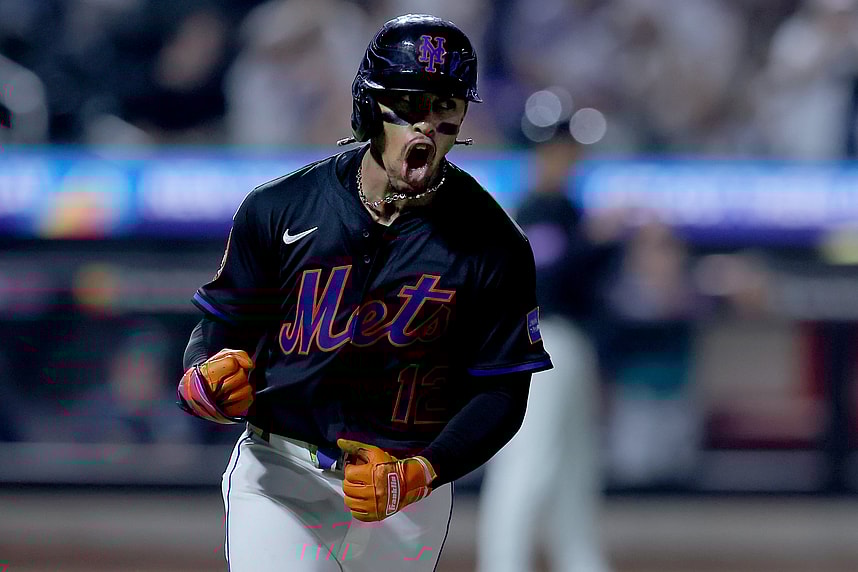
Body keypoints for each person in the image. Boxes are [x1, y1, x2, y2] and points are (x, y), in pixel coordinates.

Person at [176, 14, 552, 572]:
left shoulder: (494, 243)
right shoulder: (281, 207)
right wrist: (203, 374)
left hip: (405, 497)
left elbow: (501, 391)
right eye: (408, 102)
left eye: (444, 106)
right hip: (282, 472)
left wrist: (424, 472)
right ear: (369, 108)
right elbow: (223, 321)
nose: (426, 124)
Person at [478, 130, 619, 572]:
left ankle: (581, 562)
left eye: (572, 148)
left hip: (570, 343)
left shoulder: (566, 209)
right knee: (527, 464)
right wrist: (594, 240)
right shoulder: (532, 207)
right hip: (537, 339)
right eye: (560, 148)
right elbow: (542, 274)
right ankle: (503, 565)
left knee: (576, 472)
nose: (569, 157)